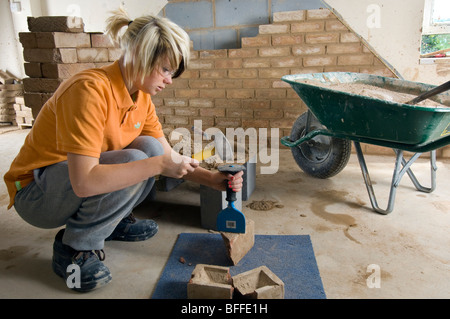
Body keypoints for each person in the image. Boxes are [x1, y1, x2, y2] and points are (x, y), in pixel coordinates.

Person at [3, 9, 243, 292]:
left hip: (67, 187)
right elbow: (84, 182)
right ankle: (74, 248)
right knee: (139, 158)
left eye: (172, 72)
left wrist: (212, 179)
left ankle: (110, 222)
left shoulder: (141, 98)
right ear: (141, 54)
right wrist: (156, 165)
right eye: (165, 69)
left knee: (151, 148)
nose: (169, 79)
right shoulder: (89, 91)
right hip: (36, 195)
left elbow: (166, 157)